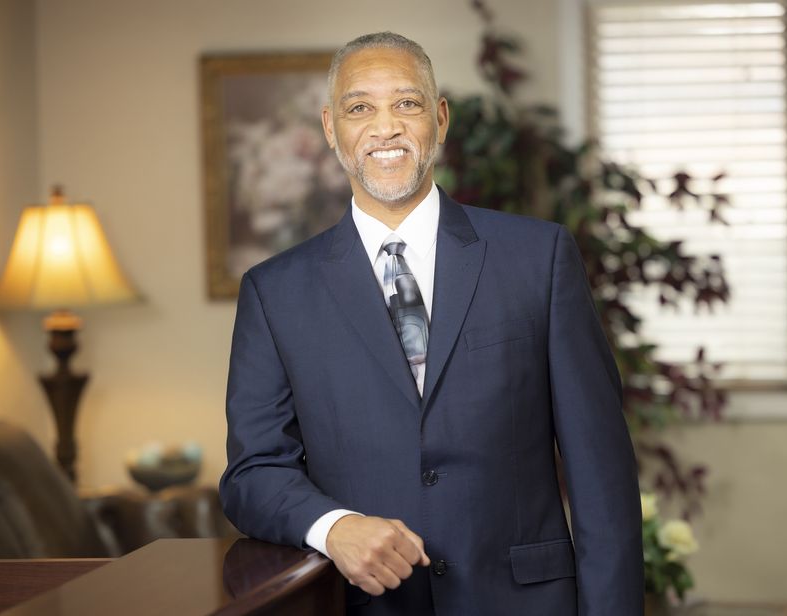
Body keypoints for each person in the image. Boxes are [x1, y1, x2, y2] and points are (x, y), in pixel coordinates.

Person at [220, 31, 643, 616]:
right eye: (359, 107)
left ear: (439, 120)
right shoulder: (275, 292)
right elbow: (252, 473)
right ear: (330, 128)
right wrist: (333, 527)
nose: (385, 127)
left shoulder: (538, 258)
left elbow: (602, 472)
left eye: (407, 103)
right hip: (367, 607)